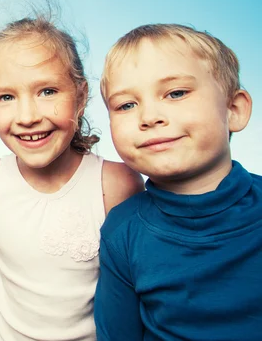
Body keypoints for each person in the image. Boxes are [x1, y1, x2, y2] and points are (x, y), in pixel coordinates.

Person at [0, 16, 143, 341]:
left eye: (47, 91)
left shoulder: (116, 184)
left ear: (80, 96)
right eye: (6, 97)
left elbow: (130, 297)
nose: (27, 117)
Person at [95, 24, 259, 340]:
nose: (149, 116)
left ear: (234, 110)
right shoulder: (121, 231)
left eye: (176, 93)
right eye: (127, 104)